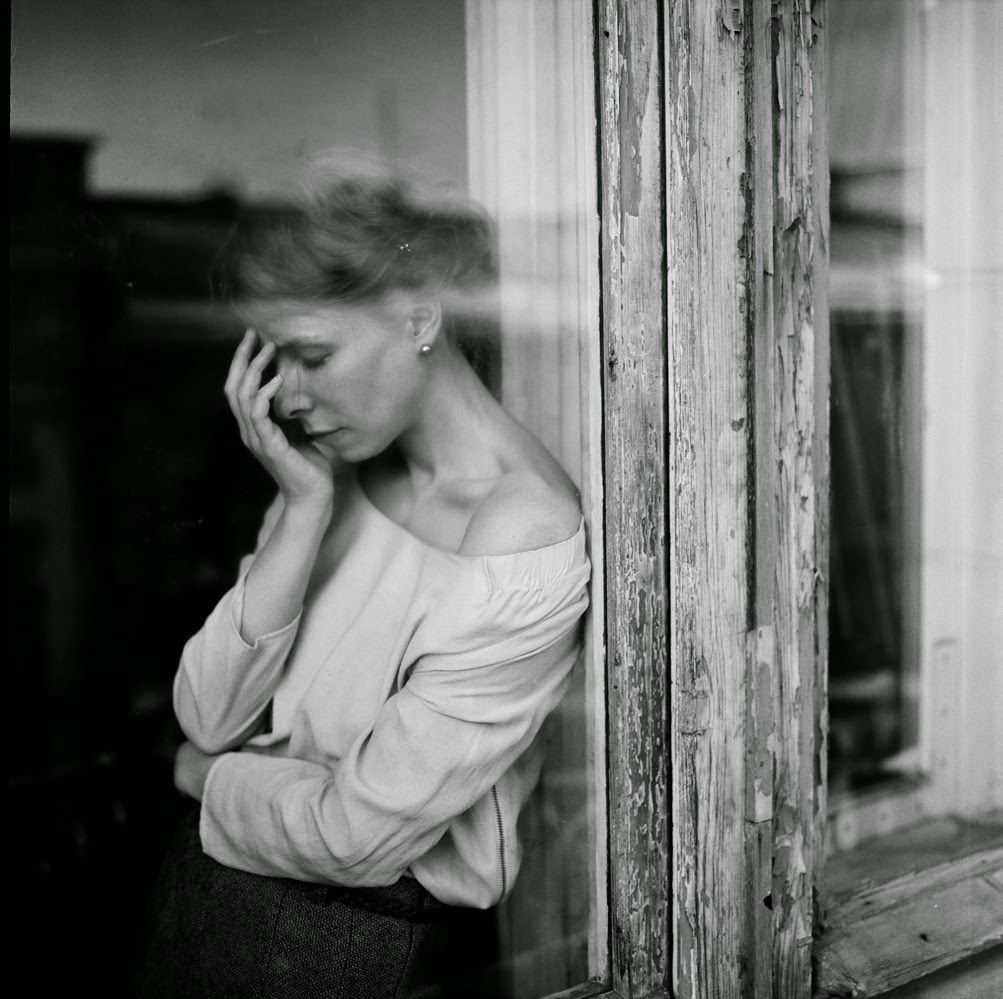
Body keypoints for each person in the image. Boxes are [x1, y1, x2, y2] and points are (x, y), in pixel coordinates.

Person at [139, 170, 590, 998]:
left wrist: (209, 779)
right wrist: (301, 508)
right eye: (271, 357)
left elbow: (354, 838)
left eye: (312, 355)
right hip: (202, 890)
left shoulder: (517, 536)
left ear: (418, 316)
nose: (287, 395)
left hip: (340, 940)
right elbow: (208, 712)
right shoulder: (333, 473)